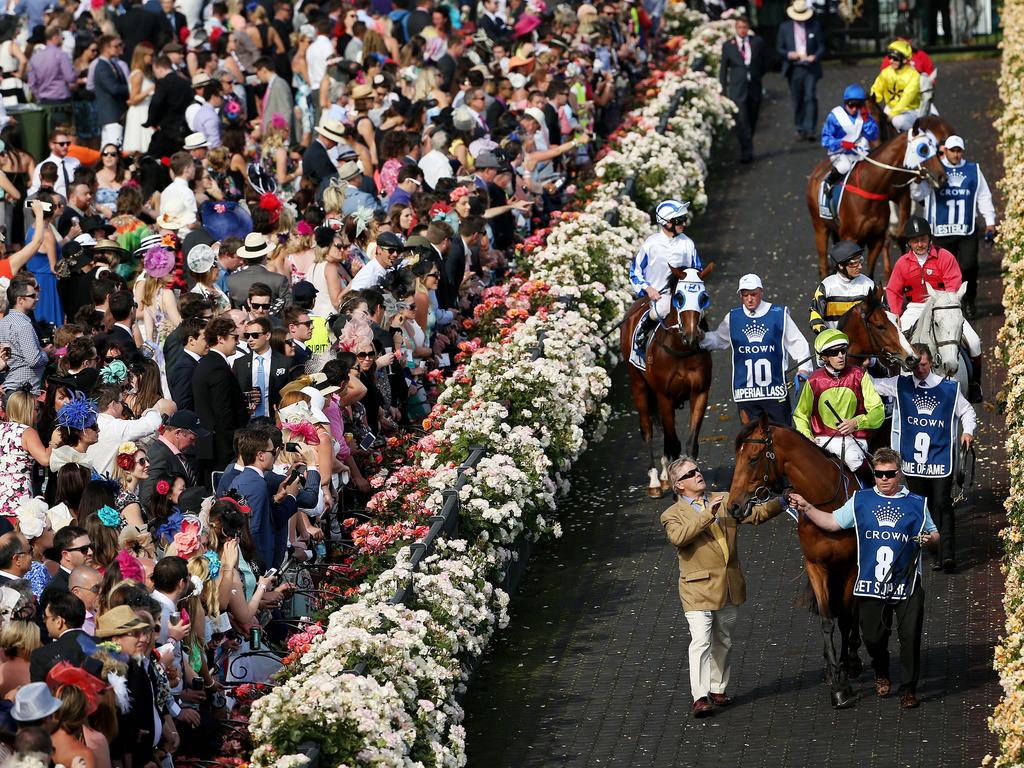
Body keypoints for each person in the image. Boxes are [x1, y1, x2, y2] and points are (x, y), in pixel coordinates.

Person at [789, 448, 939, 709]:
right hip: (871, 584)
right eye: (879, 474)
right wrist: (808, 507)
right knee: (872, 637)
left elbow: (934, 533)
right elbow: (833, 522)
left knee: (910, 637)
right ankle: (881, 670)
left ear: (899, 474)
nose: (884, 479)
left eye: (890, 474)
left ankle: (908, 689)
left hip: (907, 584)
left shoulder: (917, 503)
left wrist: (930, 539)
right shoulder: (860, 500)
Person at [661, 456, 783, 717]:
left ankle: (718, 688)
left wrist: (783, 502)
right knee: (701, 640)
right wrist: (708, 514)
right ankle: (700, 697)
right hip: (696, 589)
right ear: (679, 486)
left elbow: (756, 514)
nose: (698, 475)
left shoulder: (725, 498)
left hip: (727, 585)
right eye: (689, 474)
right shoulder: (671, 514)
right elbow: (678, 538)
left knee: (724, 639)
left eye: (697, 469)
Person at [874, 345, 975, 572]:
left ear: (931, 363)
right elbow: (873, 385)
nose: (919, 369)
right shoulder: (901, 385)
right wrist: (863, 366)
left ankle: (948, 555)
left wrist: (967, 431)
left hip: (940, 458)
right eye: (915, 365)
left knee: (942, 503)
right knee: (923, 507)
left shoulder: (949, 388)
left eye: (923, 364)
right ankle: (936, 552)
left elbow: (967, 411)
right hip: (913, 462)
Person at [885, 216, 983, 402]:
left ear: (929, 238)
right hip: (915, 307)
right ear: (909, 243)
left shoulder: (945, 257)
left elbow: (953, 286)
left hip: (944, 306)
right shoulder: (902, 263)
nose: (919, 244)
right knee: (895, 343)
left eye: (923, 239)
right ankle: (892, 390)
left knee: (974, 341)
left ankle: (974, 384)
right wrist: (896, 314)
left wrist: (945, 306)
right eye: (915, 240)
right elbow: (894, 291)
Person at [701, 273, 813, 423]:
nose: (749, 299)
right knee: (752, 441)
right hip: (746, 394)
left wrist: (804, 368)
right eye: (745, 295)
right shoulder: (732, 317)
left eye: (753, 294)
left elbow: (797, 342)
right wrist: (701, 337)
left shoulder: (779, 315)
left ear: (761, 292)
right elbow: (718, 339)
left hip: (775, 391)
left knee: (782, 435)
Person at [910, 134, 997, 319]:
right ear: (945, 151)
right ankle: (945, 306)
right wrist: (917, 180)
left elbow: (983, 196)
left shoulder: (973, 170)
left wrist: (990, 222)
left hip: (966, 229)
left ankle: (969, 300)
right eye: (952, 151)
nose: (956, 154)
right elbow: (917, 195)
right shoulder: (934, 168)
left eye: (959, 151)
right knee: (941, 272)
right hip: (941, 230)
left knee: (969, 266)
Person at [793, 329, 885, 474]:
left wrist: (856, 423)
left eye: (843, 351)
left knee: (853, 459)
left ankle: (873, 484)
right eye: (834, 353)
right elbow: (800, 414)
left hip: (852, 439)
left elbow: (878, 411)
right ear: (824, 357)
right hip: (821, 440)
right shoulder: (814, 381)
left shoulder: (859, 375)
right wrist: (807, 436)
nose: (841, 356)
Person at [628, 199, 701, 359]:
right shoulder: (651, 244)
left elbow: (698, 270)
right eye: (679, 220)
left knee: (699, 314)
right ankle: (640, 339)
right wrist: (648, 289)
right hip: (659, 296)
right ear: (665, 222)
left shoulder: (688, 244)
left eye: (684, 219)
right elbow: (635, 272)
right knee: (662, 309)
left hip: (684, 294)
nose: (684, 223)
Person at [192, 315, 250, 471]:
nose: (238, 342)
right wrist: (233, 448)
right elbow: (222, 412)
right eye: (234, 337)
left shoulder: (209, 363)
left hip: (213, 443)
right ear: (221, 338)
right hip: (221, 447)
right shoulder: (217, 367)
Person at [820, 84, 880, 209]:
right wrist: (841, 143)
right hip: (839, 152)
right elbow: (825, 139)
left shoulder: (863, 116)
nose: (854, 109)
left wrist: (866, 120)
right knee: (844, 166)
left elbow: (873, 135)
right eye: (851, 105)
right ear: (845, 103)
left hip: (859, 151)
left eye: (858, 106)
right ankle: (828, 182)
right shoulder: (834, 116)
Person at [718, 16, 766, 164]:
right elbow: (723, 69)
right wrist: (723, 89)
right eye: (739, 28)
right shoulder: (728, 45)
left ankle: (748, 143)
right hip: (737, 89)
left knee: (752, 118)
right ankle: (747, 151)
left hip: (754, 86)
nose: (742, 30)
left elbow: (765, 60)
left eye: (744, 27)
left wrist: (758, 73)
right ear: (736, 28)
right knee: (742, 120)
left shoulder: (756, 42)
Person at [777, 0, 824, 141]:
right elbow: (779, 48)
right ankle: (800, 127)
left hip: (810, 67)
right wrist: (789, 54)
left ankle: (810, 129)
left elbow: (821, 46)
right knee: (797, 99)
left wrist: (814, 56)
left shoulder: (814, 26)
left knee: (810, 97)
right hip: (794, 67)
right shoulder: (784, 28)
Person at [809, 240, 877, 335]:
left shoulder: (869, 285)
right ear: (840, 266)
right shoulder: (826, 286)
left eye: (860, 261)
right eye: (854, 263)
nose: (860, 266)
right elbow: (815, 317)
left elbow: (884, 314)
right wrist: (827, 335)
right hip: (834, 341)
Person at [232, 317, 292, 418]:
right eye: (247, 335)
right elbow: (234, 394)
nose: (250, 339)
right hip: (249, 422)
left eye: (255, 335)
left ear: (267, 335)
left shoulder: (285, 362)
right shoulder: (239, 363)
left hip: (276, 421)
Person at [0, 277, 48, 396]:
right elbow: (34, 360)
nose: (36, 298)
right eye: (32, 296)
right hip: (24, 392)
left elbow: (7, 356)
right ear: (20, 300)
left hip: (11, 387)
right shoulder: (23, 325)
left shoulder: (4, 322)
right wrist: (45, 354)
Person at [870, 40, 921, 132]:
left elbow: (907, 98)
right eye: (890, 57)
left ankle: (916, 136)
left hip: (910, 111)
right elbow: (876, 90)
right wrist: (870, 102)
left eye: (895, 58)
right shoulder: (886, 73)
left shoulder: (914, 76)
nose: (891, 61)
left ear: (905, 60)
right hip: (889, 109)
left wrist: (893, 114)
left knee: (897, 122)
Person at [93, 36, 130, 148]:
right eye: (116, 46)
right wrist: (133, 88)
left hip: (116, 115)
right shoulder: (102, 67)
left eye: (120, 45)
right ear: (106, 48)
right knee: (113, 148)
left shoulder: (112, 64)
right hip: (111, 115)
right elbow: (114, 89)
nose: (120, 48)